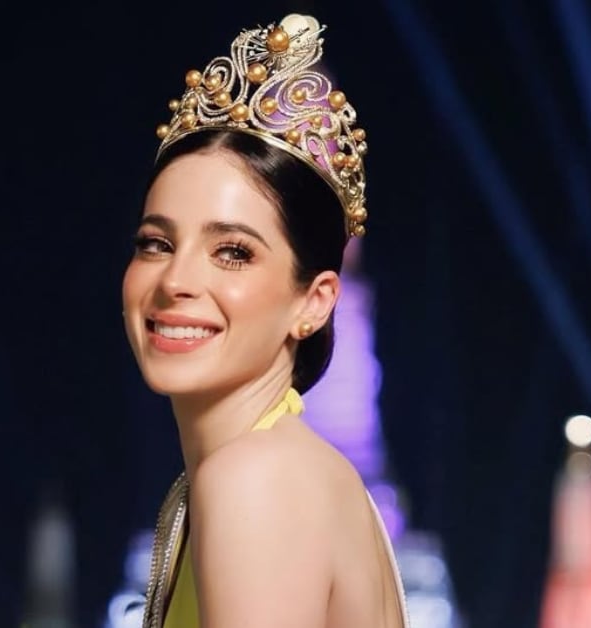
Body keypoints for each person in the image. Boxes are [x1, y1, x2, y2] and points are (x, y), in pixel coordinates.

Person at [121, 13, 410, 627]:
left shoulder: (257, 479)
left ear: (315, 301)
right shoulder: (287, 474)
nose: (175, 281)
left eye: (232, 252)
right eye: (156, 243)